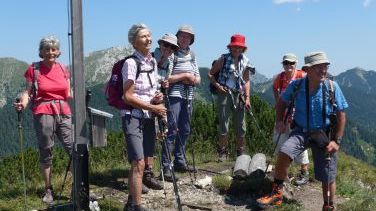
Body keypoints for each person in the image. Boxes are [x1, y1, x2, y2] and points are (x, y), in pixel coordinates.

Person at [257, 52, 348, 211]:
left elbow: (341, 115)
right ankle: (277, 193)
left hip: (324, 134)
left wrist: (336, 141)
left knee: (327, 174)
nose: (323, 70)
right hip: (301, 130)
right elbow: (281, 104)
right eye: (318, 67)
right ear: (308, 69)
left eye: (325, 67)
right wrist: (279, 121)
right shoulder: (297, 85)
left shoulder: (332, 87)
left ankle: (328, 205)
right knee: (284, 152)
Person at [13, 35, 73, 204]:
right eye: (46, 49)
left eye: (53, 49)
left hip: (64, 111)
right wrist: (22, 104)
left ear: (58, 52)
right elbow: (29, 92)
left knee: (73, 148)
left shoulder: (63, 69)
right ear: (41, 52)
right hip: (43, 111)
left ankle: (78, 186)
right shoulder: (34, 69)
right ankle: (48, 189)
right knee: (46, 150)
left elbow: (68, 93)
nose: (50, 52)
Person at [122, 23, 167, 211]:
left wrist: (158, 97)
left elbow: (151, 89)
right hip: (133, 116)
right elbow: (128, 96)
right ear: (134, 42)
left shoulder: (152, 62)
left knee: (145, 159)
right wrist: (153, 107)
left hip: (148, 115)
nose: (148, 39)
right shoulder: (131, 63)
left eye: (149, 36)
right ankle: (137, 206)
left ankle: (131, 203)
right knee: (138, 162)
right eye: (143, 36)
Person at [160, 25, 200, 179]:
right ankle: (166, 166)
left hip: (188, 95)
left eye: (187, 37)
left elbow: (198, 78)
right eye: (182, 36)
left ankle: (180, 161)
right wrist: (185, 76)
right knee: (172, 129)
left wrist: (192, 79)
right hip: (174, 95)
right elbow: (165, 78)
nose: (184, 39)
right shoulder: (172, 53)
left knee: (185, 129)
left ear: (191, 40)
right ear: (177, 37)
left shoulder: (193, 55)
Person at [208, 34, 253, 162]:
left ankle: (240, 152)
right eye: (235, 47)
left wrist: (247, 97)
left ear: (243, 49)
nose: (237, 49)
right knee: (224, 124)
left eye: (239, 47)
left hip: (239, 94)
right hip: (224, 92)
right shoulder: (223, 59)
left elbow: (246, 80)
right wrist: (218, 86)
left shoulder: (246, 61)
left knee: (241, 125)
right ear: (230, 47)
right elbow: (210, 74)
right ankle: (222, 152)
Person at [272, 53, 310, 186]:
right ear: (283, 64)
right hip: (283, 115)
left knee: (300, 143)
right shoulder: (280, 77)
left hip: (298, 117)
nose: (288, 66)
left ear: (296, 64)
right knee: (280, 142)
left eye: (291, 63)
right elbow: (274, 88)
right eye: (286, 63)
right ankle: (283, 174)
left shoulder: (302, 76)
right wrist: (278, 102)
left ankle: (304, 172)